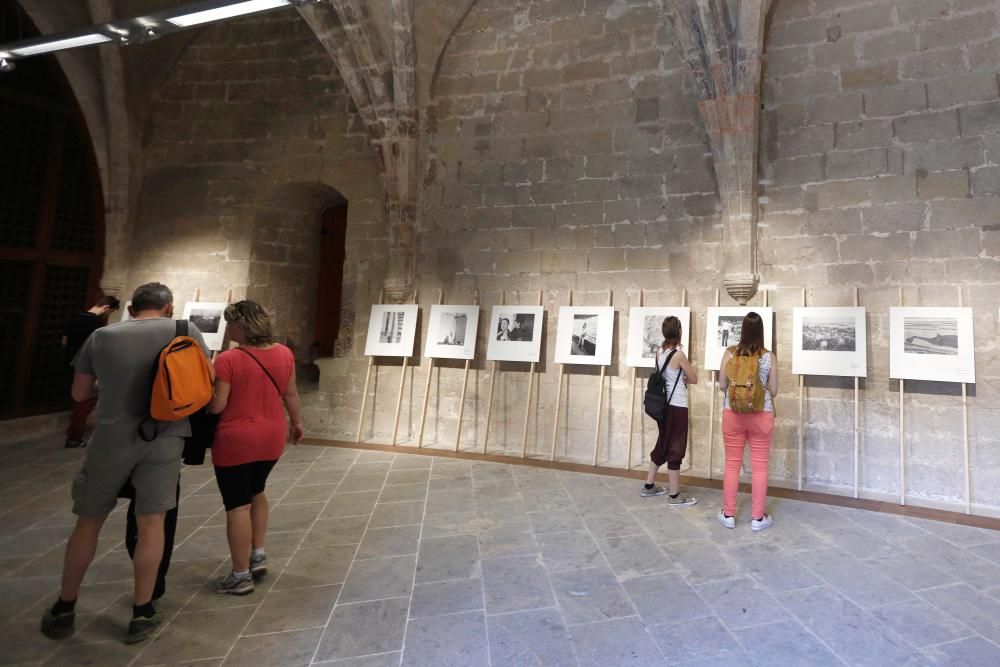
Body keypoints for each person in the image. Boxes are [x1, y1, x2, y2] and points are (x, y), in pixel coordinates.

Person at [41, 283, 209, 644]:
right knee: (151, 523)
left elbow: (78, 394)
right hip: (165, 436)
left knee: (88, 522)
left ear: (132, 307)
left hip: (112, 438)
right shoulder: (186, 330)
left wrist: (113, 388)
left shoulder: (102, 336)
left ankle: (65, 606)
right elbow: (203, 381)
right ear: (169, 306)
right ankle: (142, 610)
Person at [207, 300, 304, 595]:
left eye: (232, 323)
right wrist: (297, 423)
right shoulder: (284, 353)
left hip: (237, 438)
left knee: (237, 504)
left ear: (242, 325)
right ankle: (257, 553)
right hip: (271, 436)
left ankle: (239, 575)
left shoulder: (227, 359)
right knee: (257, 490)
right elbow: (291, 394)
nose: (229, 328)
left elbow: (218, 405)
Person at [717, 312, 778, 532]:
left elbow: (722, 385)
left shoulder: (729, 353)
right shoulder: (768, 356)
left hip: (732, 413)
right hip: (762, 415)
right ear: (761, 331)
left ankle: (728, 514)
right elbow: (774, 390)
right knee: (760, 467)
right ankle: (757, 518)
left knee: (732, 464)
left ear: (741, 329)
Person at [640, 316, 698, 506]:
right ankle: (674, 495)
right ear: (679, 331)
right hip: (677, 406)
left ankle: (649, 486)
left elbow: (667, 375)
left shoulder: (659, 352)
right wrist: (685, 377)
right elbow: (694, 378)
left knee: (663, 442)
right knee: (676, 447)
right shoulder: (679, 355)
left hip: (663, 407)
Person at [62, 295, 120, 448]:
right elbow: (98, 349)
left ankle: (74, 432)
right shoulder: (96, 324)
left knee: (79, 399)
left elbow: (65, 340)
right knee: (85, 401)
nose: (109, 315)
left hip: (70, 362)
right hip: (87, 366)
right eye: (111, 312)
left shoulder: (75, 317)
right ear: (106, 308)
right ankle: (74, 437)